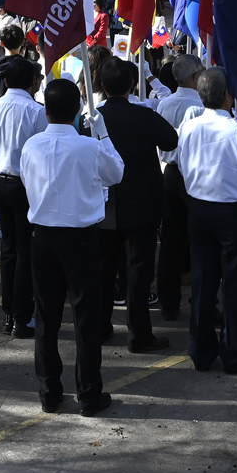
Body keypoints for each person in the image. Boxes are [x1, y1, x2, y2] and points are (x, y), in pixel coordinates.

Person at [20, 77, 123, 414]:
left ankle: (48, 392)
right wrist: (103, 133)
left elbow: (27, 183)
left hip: (43, 237)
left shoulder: (31, 146)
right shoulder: (89, 147)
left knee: (46, 318)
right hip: (80, 238)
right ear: (79, 109)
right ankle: (89, 394)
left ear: (46, 111)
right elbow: (116, 173)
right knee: (86, 318)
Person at [174, 68, 237, 374]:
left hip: (200, 208)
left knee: (203, 282)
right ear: (228, 95)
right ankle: (232, 352)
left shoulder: (188, 128)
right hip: (233, 212)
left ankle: (201, 352)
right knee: (235, 283)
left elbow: (182, 164)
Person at [93, 56, 178, 353]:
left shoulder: (93, 119)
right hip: (141, 203)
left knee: (103, 270)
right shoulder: (142, 115)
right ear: (132, 83)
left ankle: (100, 326)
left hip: (103, 204)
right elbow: (171, 140)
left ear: (102, 86)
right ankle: (139, 334)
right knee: (139, 271)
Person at [0, 56, 47, 337]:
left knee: (8, 249)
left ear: (6, 81)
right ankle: (21, 316)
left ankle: (9, 313)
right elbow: (43, 150)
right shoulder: (35, 111)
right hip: (23, 185)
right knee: (24, 250)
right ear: (34, 81)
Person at [153, 52, 205, 320]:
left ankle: (169, 302)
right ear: (196, 77)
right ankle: (202, 300)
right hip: (194, 174)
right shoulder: (201, 105)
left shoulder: (165, 103)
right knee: (200, 240)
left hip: (170, 173)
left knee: (171, 241)